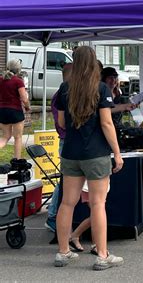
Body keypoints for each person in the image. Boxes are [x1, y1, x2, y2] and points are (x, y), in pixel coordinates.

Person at [55, 46, 124, 270]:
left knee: (67, 203)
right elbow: (106, 123)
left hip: (71, 153)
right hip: (95, 154)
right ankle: (102, 255)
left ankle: (63, 252)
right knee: (97, 204)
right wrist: (117, 152)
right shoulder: (101, 88)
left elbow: (63, 124)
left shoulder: (65, 88)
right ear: (94, 63)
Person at [45, 63, 73, 233]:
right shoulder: (61, 95)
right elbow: (61, 123)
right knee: (65, 180)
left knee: (67, 181)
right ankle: (53, 215)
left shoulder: (65, 93)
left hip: (68, 140)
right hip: (66, 140)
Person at [0, 59, 30, 159]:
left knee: (5, 137)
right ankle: (17, 162)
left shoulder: (0, 79)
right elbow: (24, 98)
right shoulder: (18, 81)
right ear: (18, 69)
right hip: (15, 111)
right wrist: (27, 107)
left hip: (2, 111)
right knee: (18, 137)